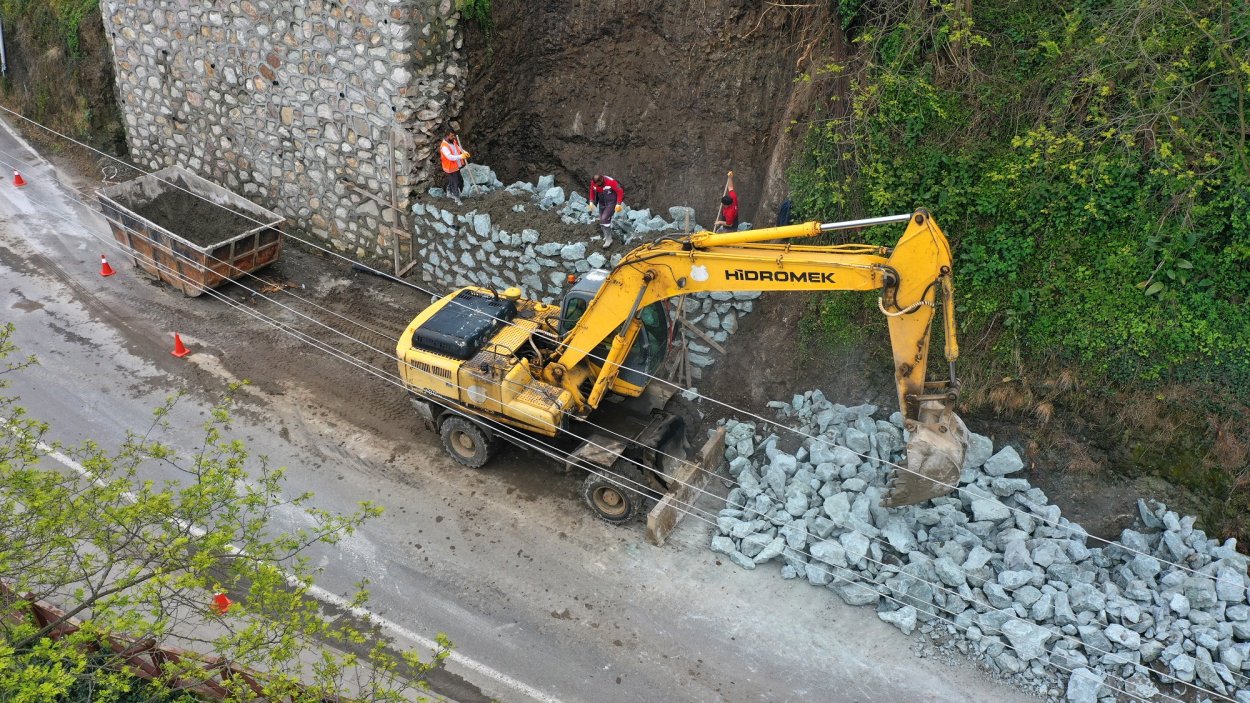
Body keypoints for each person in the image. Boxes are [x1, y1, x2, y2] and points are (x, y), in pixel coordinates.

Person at [586, 174, 624, 247]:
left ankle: (609, 239)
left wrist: (618, 203)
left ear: (602, 180)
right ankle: (606, 236)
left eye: (599, 183)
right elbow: (591, 190)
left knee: (604, 218)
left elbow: (620, 191)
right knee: (601, 220)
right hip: (602, 202)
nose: (598, 185)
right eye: (596, 184)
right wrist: (591, 201)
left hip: (611, 202)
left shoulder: (611, 182)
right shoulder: (593, 183)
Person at [439, 131, 470, 204]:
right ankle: (457, 199)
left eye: (454, 136)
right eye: (452, 136)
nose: (454, 137)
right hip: (450, 168)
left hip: (455, 166)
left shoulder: (453, 141)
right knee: (456, 182)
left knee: (457, 181)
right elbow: (449, 157)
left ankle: (449, 192)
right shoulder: (444, 146)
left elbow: (458, 148)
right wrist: (460, 156)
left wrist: (464, 152)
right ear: (446, 136)